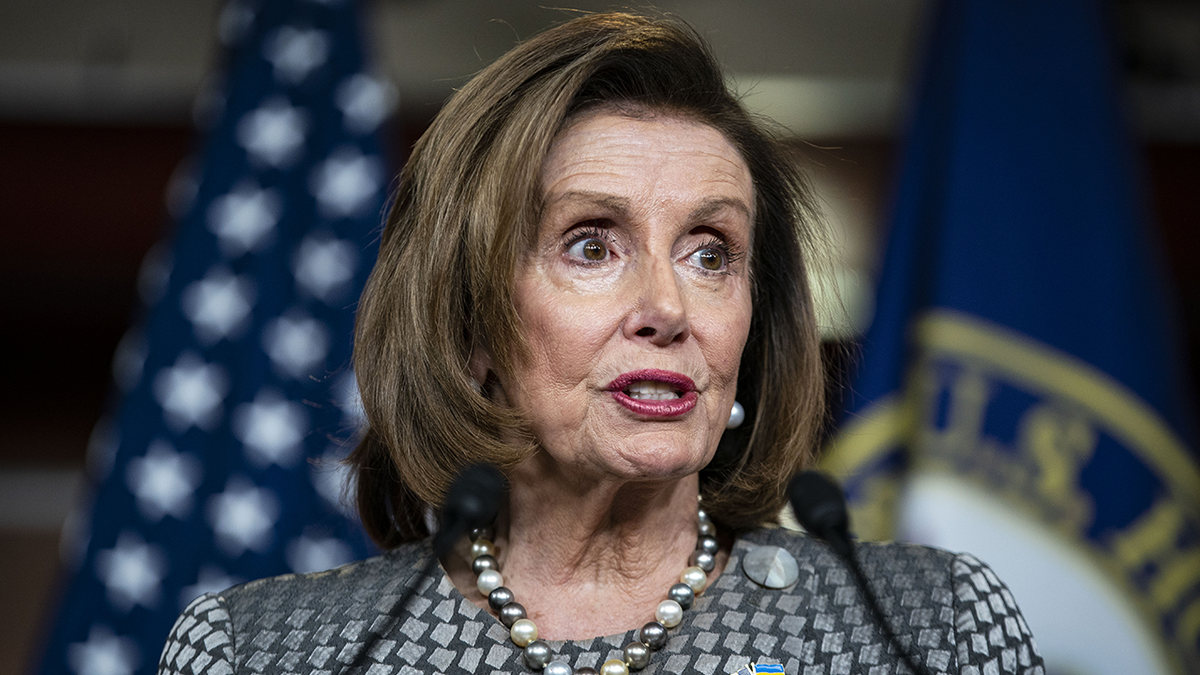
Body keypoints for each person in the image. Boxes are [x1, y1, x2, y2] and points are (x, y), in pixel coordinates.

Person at [158, 12, 1043, 675]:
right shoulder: (262, 651)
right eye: (592, 244)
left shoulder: (932, 630)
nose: (667, 305)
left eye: (711, 252)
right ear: (470, 326)